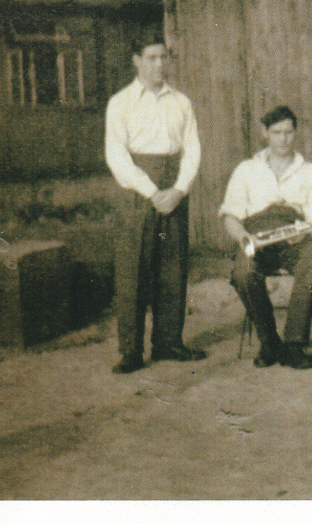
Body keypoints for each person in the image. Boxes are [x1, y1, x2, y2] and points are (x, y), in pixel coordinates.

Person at [105, 34, 205, 374]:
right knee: (133, 270)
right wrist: (151, 192)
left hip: (174, 189)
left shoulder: (181, 102)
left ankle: (168, 343)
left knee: (172, 267)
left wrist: (178, 189)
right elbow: (117, 156)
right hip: (137, 190)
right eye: (151, 57)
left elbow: (192, 149)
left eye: (163, 57)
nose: (159, 64)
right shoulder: (120, 103)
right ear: (136, 60)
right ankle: (131, 351)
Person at [220, 106, 312, 370]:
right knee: (243, 272)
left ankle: (294, 345)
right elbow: (230, 216)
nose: (283, 139)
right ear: (265, 133)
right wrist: (244, 238)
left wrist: (303, 232)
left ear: (295, 133)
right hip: (256, 237)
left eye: (289, 132)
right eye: (276, 132)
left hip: (296, 239)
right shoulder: (246, 170)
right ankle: (269, 342)